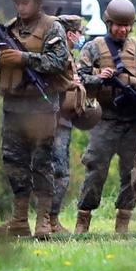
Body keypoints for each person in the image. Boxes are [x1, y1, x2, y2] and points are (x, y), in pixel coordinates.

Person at [0, 0, 71, 238]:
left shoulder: (52, 27)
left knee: (43, 163)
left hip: (42, 108)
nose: (21, 8)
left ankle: (44, 220)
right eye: (17, 3)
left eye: (25, 3)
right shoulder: (8, 30)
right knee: (14, 164)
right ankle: (19, 219)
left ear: (37, 0)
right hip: (13, 108)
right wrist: (3, 60)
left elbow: (58, 62)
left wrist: (24, 58)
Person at [73, 0, 136, 236]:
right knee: (96, 168)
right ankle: (83, 219)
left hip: (133, 120)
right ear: (109, 23)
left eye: (127, 25)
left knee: (132, 172)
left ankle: (123, 223)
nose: (123, 29)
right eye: (118, 25)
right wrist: (100, 76)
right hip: (105, 119)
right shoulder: (93, 47)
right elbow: (78, 77)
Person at [52, 14, 87, 233]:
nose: (81, 36)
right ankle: (50, 221)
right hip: (56, 121)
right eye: (79, 32)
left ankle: (48, 220)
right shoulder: (60, 55)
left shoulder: (67, 54)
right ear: (69, 34)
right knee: (60, 173)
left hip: (61, 119)